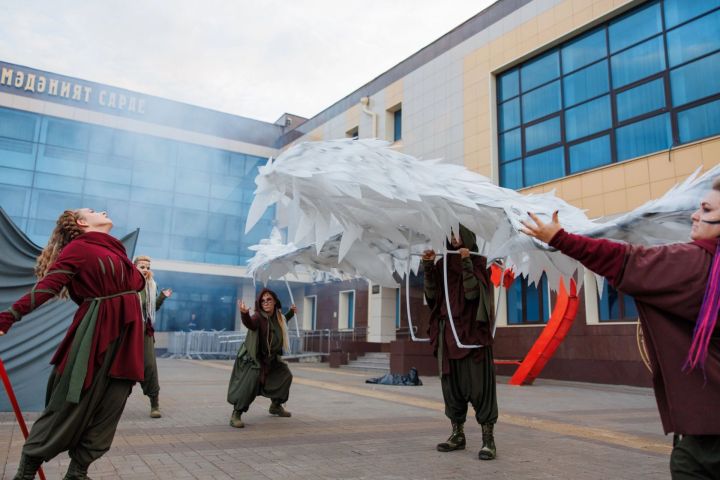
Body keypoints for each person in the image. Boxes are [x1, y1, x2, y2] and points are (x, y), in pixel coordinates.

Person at [521, 180, 720, 479]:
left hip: (708, 434)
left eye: (705, 209)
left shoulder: (696, 263)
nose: (694, 215)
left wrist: (560, 238)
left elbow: (622, 260)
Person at [0, 209, 145, 480]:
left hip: (126, 338)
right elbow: (47, 287)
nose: (100, 211)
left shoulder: (117, 251)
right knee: (71, 402)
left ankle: (77, 472)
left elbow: (135, 283)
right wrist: (8, 317)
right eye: (91, 211)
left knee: (111, 405)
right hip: (96, 333)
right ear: (81, 223)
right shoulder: (79, 248)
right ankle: (26, 470)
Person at [422, 224, 498, 460]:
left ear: (467, 235)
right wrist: (428, 267)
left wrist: (466, 263)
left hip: (472, 336)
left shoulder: (479, 262)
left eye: (458, 234)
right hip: (448, 336)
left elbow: (473, 294)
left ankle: (488, 440)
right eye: (451, 234)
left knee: (480, 387)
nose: (454, 239)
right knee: (451, 387)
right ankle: (457, 434)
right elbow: (432, 296)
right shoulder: (443, 264)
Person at [226, 288, 297, 428]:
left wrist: (292, 312)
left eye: (269, 299)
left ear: (275, 301)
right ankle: (236, 414)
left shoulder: (278, 317)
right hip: (254, 359)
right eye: (263, 300)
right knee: (249, 385)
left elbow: (284, 320)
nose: (266, 302)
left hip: (272, 359)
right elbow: (250, 324)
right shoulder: (258, 317)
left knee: (285, 375)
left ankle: (276, 405)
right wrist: (244, 314)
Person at [133, 255, 172, 418]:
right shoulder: (126, 284)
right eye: (142, 266)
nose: (146, 269)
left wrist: (162, 297)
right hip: (127, 332)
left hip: (144, 333)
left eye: (148, 267)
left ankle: (154, 404)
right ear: (134, 267)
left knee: (149, 366)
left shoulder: (150, 286)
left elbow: (151, 309)